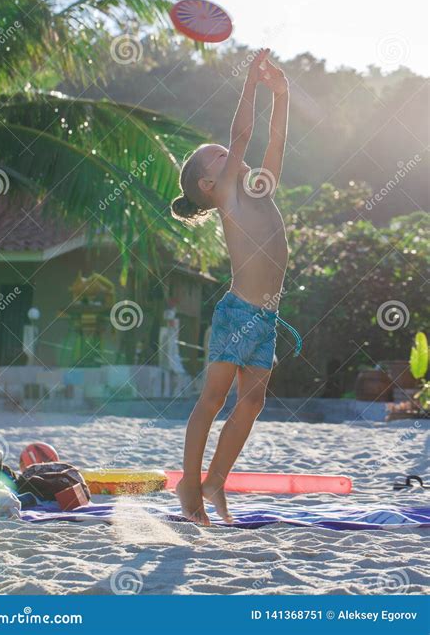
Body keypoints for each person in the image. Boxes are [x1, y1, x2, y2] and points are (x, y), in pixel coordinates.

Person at [171, 49, 301, 525]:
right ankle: (189, 483)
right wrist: (250, 84)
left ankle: (214, 483)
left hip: (264, 319)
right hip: (238, 313)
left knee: (253, 402)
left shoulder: (261, 190)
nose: (233, 157)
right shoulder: (228, 197)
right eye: (222, 159)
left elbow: (277, 143)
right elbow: (242, 134)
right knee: (213, 399)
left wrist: (282, 95)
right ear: (210, 183)